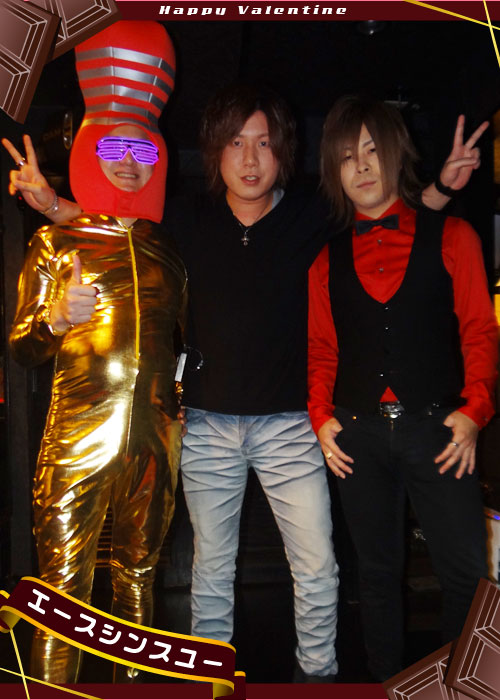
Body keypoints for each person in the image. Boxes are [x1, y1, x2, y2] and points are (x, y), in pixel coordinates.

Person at [4, 81, 485, 682]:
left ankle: (317, 680)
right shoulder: (184, 216)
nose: (251, 158)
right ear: (215, 152)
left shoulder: (312, 213)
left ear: (284, 151)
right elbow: (117, 225)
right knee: (210, 570)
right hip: (207, 425)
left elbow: (382, 215)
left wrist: (441, 189)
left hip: (291, 426)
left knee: (317, 568)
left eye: (264, 143)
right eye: (236, 142)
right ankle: (212, 680)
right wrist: (52, 204)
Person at [7, 21, 186, 684]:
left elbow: (181, 344)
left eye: (143, 148)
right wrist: (55, 318)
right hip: (76, 442)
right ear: (90, 144)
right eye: (113, 143)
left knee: (139, 578)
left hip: (155, 444)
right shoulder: (57, 244)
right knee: (63, 588)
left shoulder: (169, 253)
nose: (129, 160)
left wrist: (177, 413)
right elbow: (22, 348)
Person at [308, 95, 498, 682]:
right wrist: (321, 417)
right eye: (347, 157)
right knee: (375, 576)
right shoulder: (325, 260)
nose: (361, 166)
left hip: (440, 429)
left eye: (371, 150)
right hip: (358, 435)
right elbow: (322, 349)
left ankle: (460, 687)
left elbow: (480, 331)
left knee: (466, 574)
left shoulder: (455, 235)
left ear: (396, 155)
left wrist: (475, 410)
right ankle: (386, 685)